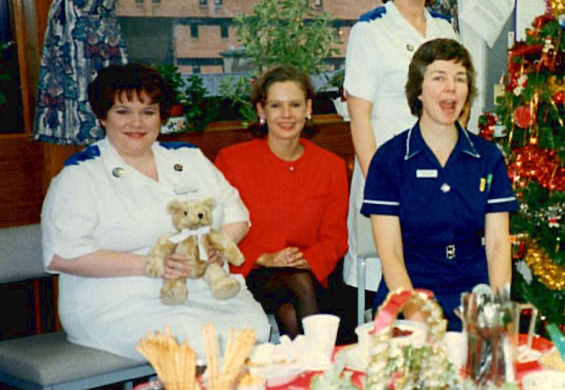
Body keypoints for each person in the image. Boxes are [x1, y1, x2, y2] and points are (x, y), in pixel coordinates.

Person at [40, 63, 269, 361]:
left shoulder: (189, 158)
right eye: (123, 111)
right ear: (102, 117)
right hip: (119, 302)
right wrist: (152, 264)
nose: (137, 122)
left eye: (148, 112)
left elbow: (237, 215)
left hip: (205, 290)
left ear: (161, 116)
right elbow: (63, 255)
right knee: (198, 342)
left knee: (254, 331)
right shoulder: (81, 175)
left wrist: (218, 245)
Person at [361, 39, 517, 330]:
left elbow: (498, 245)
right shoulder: (389, 160)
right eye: (439, 78)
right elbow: (390, 253)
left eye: (460, 79)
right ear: (418, 90)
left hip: (474, 294)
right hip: (408, 292)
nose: (451, 88)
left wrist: (497, 310)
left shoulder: (488, 158)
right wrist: (418, 319)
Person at [341, 0, 458, 304]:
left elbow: (457, 104)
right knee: (393, 290)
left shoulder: (444, 29)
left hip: (439, 175)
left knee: (440, 281)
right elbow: (359, 116)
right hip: (391, 173)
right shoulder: (370, 30)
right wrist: (381, 184)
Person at [215, 65, 349, 339]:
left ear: (308, 108)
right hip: (248, 272)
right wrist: (263, 258)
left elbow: (336, 237)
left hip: (308, 272)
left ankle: (305, 360)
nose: (286, 114)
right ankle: (321, 359)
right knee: (299, 288)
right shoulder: (232, 161)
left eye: (295, 105)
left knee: (290, 309)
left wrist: (306, 259)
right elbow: (216, 231)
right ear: (261, 111)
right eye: (276, 105)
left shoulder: (331, 166)